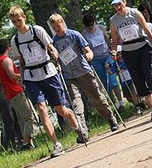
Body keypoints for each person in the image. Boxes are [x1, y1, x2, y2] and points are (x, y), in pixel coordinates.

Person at [8, 6, 79, 158]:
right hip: (31, 77)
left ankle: (76, 124)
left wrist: (53, 52)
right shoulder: (15, 40)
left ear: (24, 17)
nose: (17, 24)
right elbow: (21, 60)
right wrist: (21, 78)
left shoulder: (37, 30)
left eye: (19, 20)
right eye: (14, 22)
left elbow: (50, 46)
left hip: (48, 72)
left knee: (60, 109)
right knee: (41, 109)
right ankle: (56, 144)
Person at [49, 13, 119, 143]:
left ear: (62, 22)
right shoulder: (54, 42)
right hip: (69, 76)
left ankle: (110, 118)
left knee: (97, 98)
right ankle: (82, 132)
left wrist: (89, 55)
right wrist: (56, 63)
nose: (57, 29)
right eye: (54, 27)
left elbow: (88, 50)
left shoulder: (74, 35)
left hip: (83, 72)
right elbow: (57, 59)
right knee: (76, 104)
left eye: (58, 26)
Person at [109, 0, 152, 121]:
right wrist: (114, 52)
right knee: (138, 80)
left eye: (119, 4)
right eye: (115, 6)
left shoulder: (135, 13)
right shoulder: (113, 21)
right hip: (128, 51)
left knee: (150, 75)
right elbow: (114, 41)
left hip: (143, 47)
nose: (118, 7)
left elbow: (147, 31)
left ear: (124, 2)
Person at [0, 39, 37, 150]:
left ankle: (29, 144)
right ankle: (26, 143)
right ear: (8, 47)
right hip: (16, 91)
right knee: (29, 117)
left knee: (22, 119)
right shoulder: (6, 60)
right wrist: (24, 75)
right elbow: (12, 76)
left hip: (10, 93)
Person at [82, 14, 125, 111]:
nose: (91, 27)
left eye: (92, 24)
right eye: (89, 26)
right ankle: (115, 105)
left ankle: (121, 102)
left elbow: (108, 41)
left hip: (107, 56)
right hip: (96, 60)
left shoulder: (100, 28)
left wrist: (113, 52)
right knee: (106, 83)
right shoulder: (84, 35)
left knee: (113, 79)